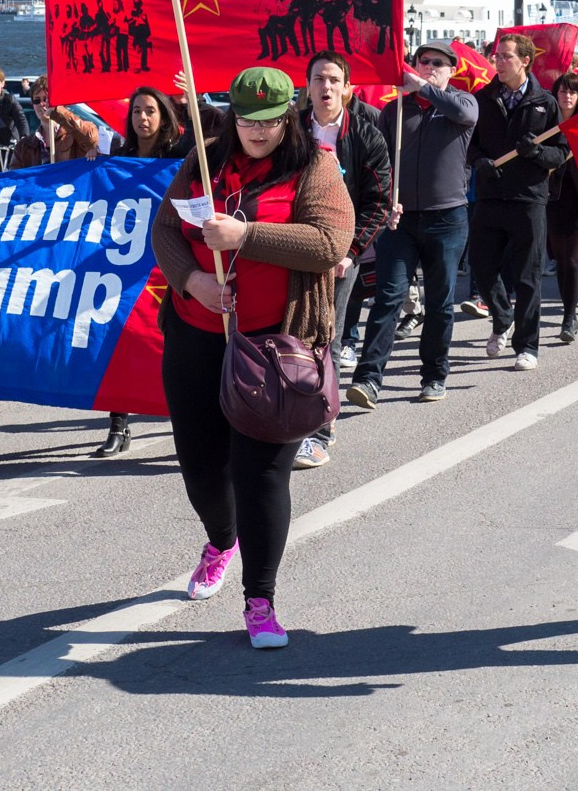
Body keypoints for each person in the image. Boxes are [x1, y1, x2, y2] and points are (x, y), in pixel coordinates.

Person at [150, 67, 353, 650]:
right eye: (245, 121)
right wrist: (192, 281)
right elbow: (164, 230)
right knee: (201, 467)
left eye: (267, 122)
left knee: (261, 474)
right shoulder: (206, 160)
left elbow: (328, 243)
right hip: (197, 336)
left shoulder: (314, 166)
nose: (255, 132)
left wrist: (246, 235)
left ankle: (259, 600)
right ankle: (221, 538)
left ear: (287, 116)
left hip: (276, 346)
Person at [346, 43, 478, 409]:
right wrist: (385, 201)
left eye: (438, 63)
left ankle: (434, 375)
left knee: (440, 302)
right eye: (423, 62)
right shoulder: (395, 111)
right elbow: (382, 161)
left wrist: (423, 87)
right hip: (400, 221)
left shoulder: (462, 103)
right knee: (388, 298)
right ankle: (368, 378)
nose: (430, 67)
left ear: (451, 70)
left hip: (447, 219)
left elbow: (463, 116)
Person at [292, 51, 390, 470]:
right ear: (308, 86)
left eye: (334, 79)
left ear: (348, 88)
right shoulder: (289, 131)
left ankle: (320, 429)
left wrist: (348, 253)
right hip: (289, 248)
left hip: (337, 257)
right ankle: (283, 418)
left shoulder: (367, 137)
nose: (326, 87)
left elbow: (379, 202)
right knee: (288, 337)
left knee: (326, 340)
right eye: (319, 79)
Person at [91, 85, 197, 459]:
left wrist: (193, 103)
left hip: (171, 262)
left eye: (150, 110)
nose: (143, 118)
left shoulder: (181, 155)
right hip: (129, 267)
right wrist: (94, 168)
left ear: (163, 115)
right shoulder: (119, 158)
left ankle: (190, 423)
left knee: (175, 344)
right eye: (136, 111)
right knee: (120, 341)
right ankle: (118, 424)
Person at [467, 34, 565, 372]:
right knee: (480, 266)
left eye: (507, 56)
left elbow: (562, 150)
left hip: (528, 198)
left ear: (525, 61)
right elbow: (471, 144)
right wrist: (478, 160)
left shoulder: (545, 102)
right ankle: (502, 316)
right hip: (491, 196)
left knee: (527, 276)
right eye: (497, 56)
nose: (499, 61)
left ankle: (527, 345)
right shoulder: (482, 99)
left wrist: (537, 153)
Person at [544, 72, 578, 344]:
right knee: (560, 260)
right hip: (552, 200)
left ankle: (569, 317)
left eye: (572, 92)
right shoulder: (546, 123)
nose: (567, 96)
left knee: (573, 261)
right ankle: (568, 311)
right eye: (562, 91)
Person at [13, 75, 99, 165]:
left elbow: (91, 140)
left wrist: (57, 110)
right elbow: (14, 177)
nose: (42, 104)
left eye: (46, 99)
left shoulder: (77, 135)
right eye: (36, 100)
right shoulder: (23, 147)